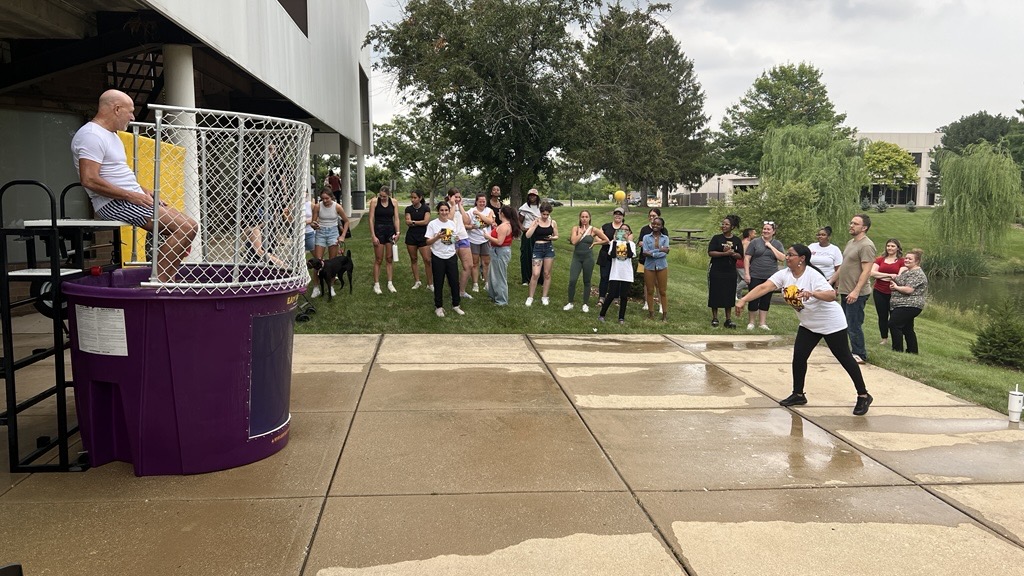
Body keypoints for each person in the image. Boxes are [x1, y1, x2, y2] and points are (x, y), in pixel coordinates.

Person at [71, 89, 197, 282]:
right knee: (185, 229)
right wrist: (133, 196)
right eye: (129, 111)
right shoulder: (91, 135)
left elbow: (116, 174)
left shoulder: (111, 135)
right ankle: (158, 283)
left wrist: (142, 191)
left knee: (189, 226)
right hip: (114, 203)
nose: (132, 116)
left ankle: (164, 278)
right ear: (116, 109)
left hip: (129, 198)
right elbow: (89, 179)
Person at [736, 243, 873, 416]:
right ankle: (798, 394)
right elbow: (765, 287)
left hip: (830, 323)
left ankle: (863, 395)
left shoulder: (812, 275)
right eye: (787, 254)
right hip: (809, 324)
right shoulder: (785, 274)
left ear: (802, 259)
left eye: (791, 255)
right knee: (799, 357)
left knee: (844, 357)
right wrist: (743, 300)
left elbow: (832, 295)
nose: (787, 257)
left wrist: (813, 293)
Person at [834, 214, 876, 364]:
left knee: (853, 324)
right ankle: (846, 352)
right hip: (845, 290)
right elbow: (844, 265)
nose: (851, 225)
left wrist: (856, 291)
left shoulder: (867, 246)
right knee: (843, 323)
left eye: (855, 224)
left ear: (864, 228)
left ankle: (859, 354)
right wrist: (832, 281)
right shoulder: (851, 242)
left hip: (856, 292)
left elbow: (867, 271)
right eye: (851, 222)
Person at [424, 201, 464, 317]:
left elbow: (454, 239)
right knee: (438, 282)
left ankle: (456, 305)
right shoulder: (433, 224)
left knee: (454, 282)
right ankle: (439, 307)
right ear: (438, 211)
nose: (444, 212)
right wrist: (437, 236)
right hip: (438, 256)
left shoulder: (451, 224)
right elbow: (427, 242)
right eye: (442, 210)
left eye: (446, 210)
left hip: (451, 256)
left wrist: (455, 239)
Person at [743, 220, 785, 330]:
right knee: (753, 298)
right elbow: (747, 258)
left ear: (773, 232)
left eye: (768, 229)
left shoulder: (777, 244)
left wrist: (770, 246)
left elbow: (782, 258)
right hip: (755, 274)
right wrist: (747, 274)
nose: (765, 231)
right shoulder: (755, 242)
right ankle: (751, 322)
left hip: (771, 277)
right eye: (764, 229)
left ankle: (762, 323)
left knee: (766, 299)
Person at [564, 210, 608, 313]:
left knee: (587, 281)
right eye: (582, 217)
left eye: (586, 217)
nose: (584, 219)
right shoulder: (576, 228)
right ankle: (570, 302)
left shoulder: (593, 230)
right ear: (580, 218)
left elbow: (606, 240)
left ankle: (585, 304)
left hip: (588, 258)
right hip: (577, 258)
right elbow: (574, 241)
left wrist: (595, 244)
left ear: (589, 218)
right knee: (572, 280)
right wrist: (582, 233)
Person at [310, 188, 351, 297]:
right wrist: (314, 225)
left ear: (331, 197)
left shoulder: (337, 207)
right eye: (322, 198)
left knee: (332, 263)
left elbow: (346, 221)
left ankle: (331, 287)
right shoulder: (318, 206)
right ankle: (316, 287)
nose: (325, 201)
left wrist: (342, 236)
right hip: (321, 233)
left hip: (333, 233)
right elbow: (313, 223)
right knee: (317, 263)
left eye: (327, 198)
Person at [889, 248, 927, 354]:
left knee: (893, 324)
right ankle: (912, 351)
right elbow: (900, 282)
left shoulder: (917, 274)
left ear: (917, 261)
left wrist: (896, 287)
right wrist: (894, 284)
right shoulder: (907, 271)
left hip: (910, 305)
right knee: (907, 328)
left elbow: (908, 289)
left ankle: (897, 349)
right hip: (901, 304)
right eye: (906, 258)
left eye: (910, 259)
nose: (906, 260)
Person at [708, 215, 743, 328]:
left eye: (726, 224)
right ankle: (715, 318)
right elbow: (710, 252)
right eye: (723, 224)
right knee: (715, 293)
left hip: (730, 271)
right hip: (717, 269)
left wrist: (732, 253)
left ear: (732, 227)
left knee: (729, 294)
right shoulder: (716, 238)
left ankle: (728, 319)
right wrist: (724, 253)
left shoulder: (737, 240)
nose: (724, 226)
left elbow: (740, 255)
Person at [870, 238, 906, 346]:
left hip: (894, 293)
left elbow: (899, 277)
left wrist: (881, 275)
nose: (890, 248)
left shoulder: (902, 261)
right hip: (879, 291)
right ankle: (884, 338)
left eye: (893, 246)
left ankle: (896, 340)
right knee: (882, 316)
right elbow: (872, 273)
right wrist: (889, 275)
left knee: (894, 317)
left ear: (898, 248)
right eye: (888, 246)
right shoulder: (880, 260)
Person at [485, 204, 523, 306]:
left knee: (499, 276)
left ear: (502, 214)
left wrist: (487, 236)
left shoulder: (504, 226)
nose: (498, 213)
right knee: (493, 274)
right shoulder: (508, 225)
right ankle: (493, 295)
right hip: (500, 251)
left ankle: (501, 300)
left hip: (499, 252)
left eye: (499, 212)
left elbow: (499, 242)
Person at [598, 224, 636, 324]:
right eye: (621, 230)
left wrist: (627, 242)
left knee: (623, 296)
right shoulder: (613, 243)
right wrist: (614, 241)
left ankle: (621, 317)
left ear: (629, 233)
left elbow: (630, 255)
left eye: (626, 230)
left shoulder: (631, 244)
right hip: (615, 272)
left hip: (626, 273)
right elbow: (613, 255)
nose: (624, 232)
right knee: (611, 294)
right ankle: (602, 314)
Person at [525, 202, 559, 306]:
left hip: (548, 248)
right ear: (540, 213)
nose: (545, 216)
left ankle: (544, 296)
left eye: (547, 214)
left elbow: (557, 236)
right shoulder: (535, 221)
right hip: (538, 248)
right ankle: (530, 297)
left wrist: (552, 238)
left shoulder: (553, 222)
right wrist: (534, 226)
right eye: (543, 214)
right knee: (535, 274)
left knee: (547, 274)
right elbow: (527, 235)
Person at [368, 185, 400, 294]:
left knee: (389, 258)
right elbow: (371, 219)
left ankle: (390, 283)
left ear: (389, 195)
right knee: (378, 259)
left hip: (390, 231)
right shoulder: (374, 202)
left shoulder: (394, 202)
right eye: (380, 196)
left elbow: (396, 218)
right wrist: (373, 235)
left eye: (384, 196)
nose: (382, 198)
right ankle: (376, 285)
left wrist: (398, 232)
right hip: (379, 231)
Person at [446, 188, 476, 300]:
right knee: (451, 267)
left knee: (468, 265)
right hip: (450, 238)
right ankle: (453, 291)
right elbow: (448, 219)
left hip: (463, 237)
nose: (457, 199)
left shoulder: (460, 206)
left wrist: (461, 206)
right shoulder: (446, 207)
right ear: (449, 197)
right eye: (455, 197)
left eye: (459, 197)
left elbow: (467, 221)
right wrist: (453, 205)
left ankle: (461, 291)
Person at [597, 207, 630, 306]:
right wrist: (607, 242)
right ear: (613, 214)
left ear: (623, 216)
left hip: (618, 257)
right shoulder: (606, 226)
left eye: (620, 214)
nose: (618, 215)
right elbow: (597, 236)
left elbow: (630, 240)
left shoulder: (625, 228)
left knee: (617, 278)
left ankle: (616, 298)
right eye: (616, 213)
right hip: (605, 254)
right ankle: (602, 298)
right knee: (604, 276)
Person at [642, 216, 670, 321]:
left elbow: (665, 252)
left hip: (662, 266)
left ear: (662, 226)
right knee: (650, 290)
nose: (655, 226)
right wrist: (659, 250)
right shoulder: (646, 237)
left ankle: (664, 315)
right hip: (649, 266)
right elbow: (644, 252)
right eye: (654, 224)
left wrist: (652, 252)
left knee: (662, 291)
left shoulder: (665, 238)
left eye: (658, 224)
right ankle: (651, 314)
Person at [404, 189, 433, 291]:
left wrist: (413, 222)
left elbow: (426, 221)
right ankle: (417, 281)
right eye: (411, 197)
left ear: (420, 198)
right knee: (414, 259)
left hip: (423, 236)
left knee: (427, 260)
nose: (412, 199)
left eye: (415, 197)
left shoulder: (426, 208)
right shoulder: (408, 209)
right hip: (411, 237)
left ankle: (430, 284)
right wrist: (414, 222)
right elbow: (407, 221)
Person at [467, 193, 495, 293]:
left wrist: (479, 214)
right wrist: (471, 226)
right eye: (480, 201)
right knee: (475, 263)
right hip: (473, 239)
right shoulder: (470, 211)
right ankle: (475, 284)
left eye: (484, 201)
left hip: (486, 239)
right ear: (476, 201)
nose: (482, 203)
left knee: (486, 262)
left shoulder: (489, 211)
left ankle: (487, 282)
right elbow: (466, 224)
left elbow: (490, 221)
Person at [637, 208, 662, 313]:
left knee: (658, 282)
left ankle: (661, 304)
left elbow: (663, 244)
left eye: (654, 216)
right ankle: (647, 303)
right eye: (650, 216)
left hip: (658, 260)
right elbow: (640, 243)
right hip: (644, 259)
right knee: (647, 282)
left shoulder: (662, 229)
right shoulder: (644, 229)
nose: (652, 218)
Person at [518, 189, 543, 286]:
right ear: (528, 197)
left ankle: (539, 279)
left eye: (534, 195)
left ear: (537, 197)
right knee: (526, 256)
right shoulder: (524, 208)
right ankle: (526, 279)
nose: (532, 197)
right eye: (530, 195)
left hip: (539, 234)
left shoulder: (540, 207)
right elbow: (519, 221)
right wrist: (522, 228)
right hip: (528, 233)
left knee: (539, 256)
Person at [735, 227, 756, 299]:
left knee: (739, 280)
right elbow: (745, 254)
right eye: (754, 233)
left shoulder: (742, 241)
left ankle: (738, 296)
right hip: (742, 264)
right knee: (746, 280)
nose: (755, 235)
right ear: (750, 234)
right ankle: (734, 292)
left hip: (738, 263)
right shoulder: (747, 242)